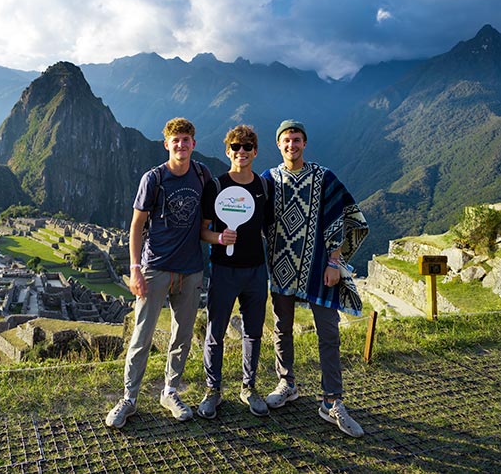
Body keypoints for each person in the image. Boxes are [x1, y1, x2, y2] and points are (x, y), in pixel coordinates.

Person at [262, 119, 369, 438]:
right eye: (286, 140)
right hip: (281, 266)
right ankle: (287, 383)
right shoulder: (270, 178)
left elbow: (343, 215)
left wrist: (336, 260)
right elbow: (253, 213)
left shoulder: (324, 177)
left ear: (304, 143)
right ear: (278, 145)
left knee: (328, 332)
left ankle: (332, 401)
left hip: (320, 267)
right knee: (282, 328)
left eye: (296, 139)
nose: (291, 145)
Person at [105, 117, 211, 429]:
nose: (181, 145)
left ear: (193, 143)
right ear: (166, 144)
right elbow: (137, 226)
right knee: (142, 335)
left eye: (186, 139)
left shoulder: (201, 176)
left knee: (182, 335)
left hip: (190, 270)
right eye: (175, 140)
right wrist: (135, 269)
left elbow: (206, 223)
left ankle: (170, 391)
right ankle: (129, 398)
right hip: (155, 268)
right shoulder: (154, 179)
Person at [197, 125, 270, 419]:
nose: (242, 152)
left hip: (256, 270)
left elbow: (270, 227)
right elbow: (203, 231)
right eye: (236, 147)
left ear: (255, 152)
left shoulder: (264, 188)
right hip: (224, 270)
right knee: (215, 332)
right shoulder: (215, 187)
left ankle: (248, 387)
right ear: (227, 151)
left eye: (247, 147)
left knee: (253, 333)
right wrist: (218, 238)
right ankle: (212, 391)